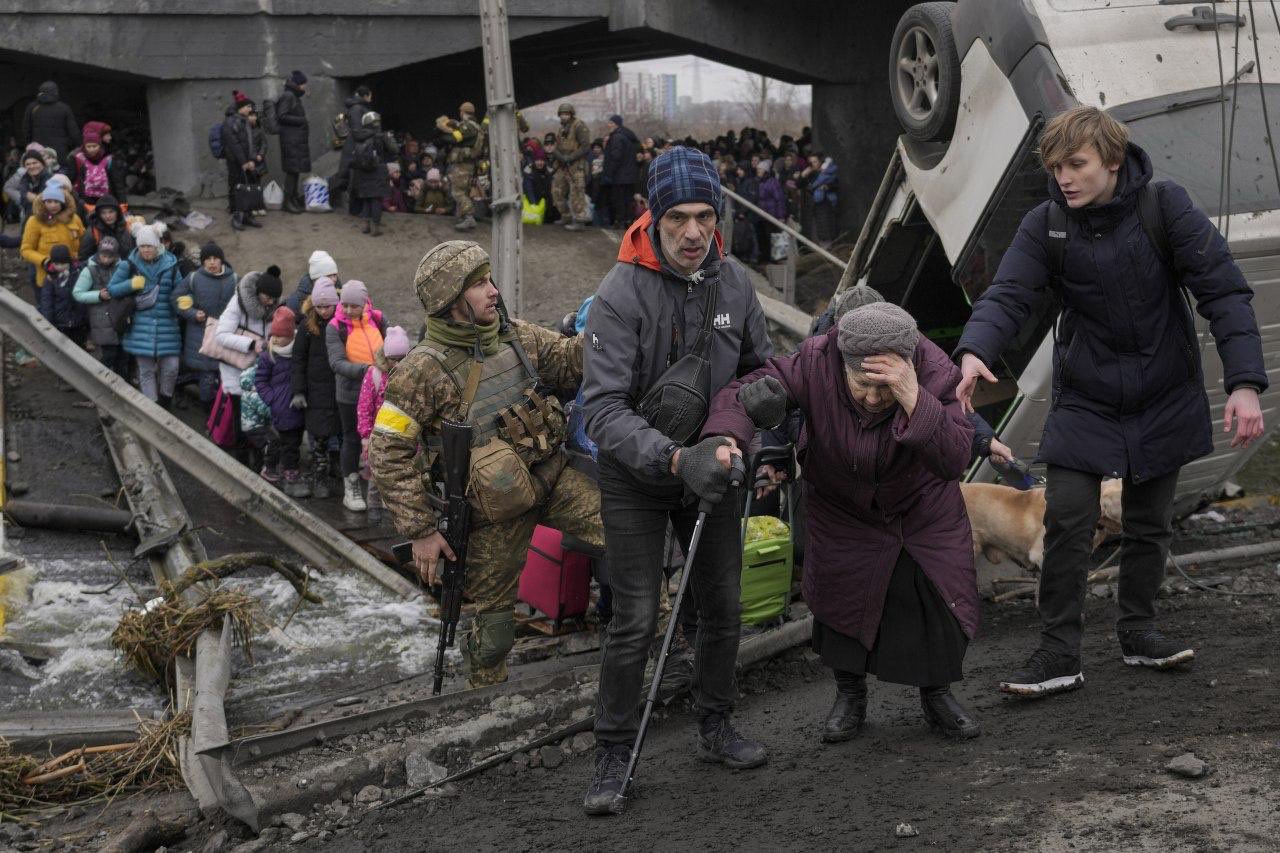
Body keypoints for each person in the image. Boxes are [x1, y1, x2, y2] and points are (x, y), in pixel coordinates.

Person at [953, 106, 1267, 697]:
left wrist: (1244, 383)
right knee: (1068, 518)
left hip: (1163, 390)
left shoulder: (1165, 207)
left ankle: (1139, 632)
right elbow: (1010, 293)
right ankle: (1057, 654)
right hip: (1087, 397)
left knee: (1148, 523)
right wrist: (975, 350)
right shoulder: (1046, 224)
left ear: (1113, 161)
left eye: (1076, 164)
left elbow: (1223, 291)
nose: (1064, 177)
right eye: (1055, 167)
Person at [578, 147, 775, 816]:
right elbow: (600, 411)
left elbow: (760, 369)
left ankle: (716, 724)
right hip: (637, 476)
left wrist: (755, 426)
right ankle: (612, 750)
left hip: (715, 469)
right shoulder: (619, 294)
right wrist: (672, 458)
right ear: (654, 218)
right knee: (634, 617)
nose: (694, 233)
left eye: (705, 215)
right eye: (678, 219)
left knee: (722, 606)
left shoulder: (736, 285)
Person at [707, 302, 981, 744]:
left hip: (919, 509)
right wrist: (726, 435)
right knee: (840, 600)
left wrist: (915, 398)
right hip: (841, 506)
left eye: (885, 389)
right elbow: (744, 391)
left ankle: (938, 695)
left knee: (933, 600)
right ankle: (849, 695)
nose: (873, 399)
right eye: (862, 386)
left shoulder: (934, 371)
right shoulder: (815, 361)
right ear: (842, 363)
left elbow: (954, 458)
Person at [369, 240, 602, 688]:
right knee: (494, 634)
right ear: (450, 300)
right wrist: (420, 531)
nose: (492, 290)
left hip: (552, 478)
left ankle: (662, 647)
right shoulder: (421, 370)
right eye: (478, 284)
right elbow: (387, 451)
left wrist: (610, 322)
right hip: (493, 515)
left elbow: (571, 362)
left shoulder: (517, 336)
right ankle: (484, 701)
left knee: (631, 538)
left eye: (489, 279)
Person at [326, 279, 386, 511]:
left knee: (382, 439)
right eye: (345, 305)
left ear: (364, 303)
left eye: (354, 306)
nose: (349, 310)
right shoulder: (335, 327)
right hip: (349, 394)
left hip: (380, 392)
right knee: (351, 438)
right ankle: (350, 487)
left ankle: (380, 489)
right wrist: (369, 370)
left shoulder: (378, 320)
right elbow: (337, 362)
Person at [106, 224, 182, 406]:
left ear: (158, 246)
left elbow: (181, 289)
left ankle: (165, 401)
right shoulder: (129, 265)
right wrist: (131, 284)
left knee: (171, 368)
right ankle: (152, 407)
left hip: (167, 325)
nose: (146, 250)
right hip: (140, 325)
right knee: (146, 370)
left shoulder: (171, 265)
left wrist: (185, 300)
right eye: (142, 246)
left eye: (149, 246)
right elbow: (112, 289)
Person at [215, 265, 283, 456]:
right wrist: (252, 344)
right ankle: (242, 459)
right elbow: (221, 335)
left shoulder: (274, 307)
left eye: (273, 299)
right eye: (267, 297)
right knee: (240, 417)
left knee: (259, 418)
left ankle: (260, 459)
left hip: (259, 373)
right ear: (258, 291)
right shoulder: (238, 303)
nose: (270, 302)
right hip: (236, 370)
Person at [291, 276, 341, 498]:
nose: (323, 311)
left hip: (338, 387)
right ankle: (320, 475)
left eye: (327, 306)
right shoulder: (307, 327)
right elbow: (298, 359)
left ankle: (337, 469)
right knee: (319, 437)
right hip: (316, 390)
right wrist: (299, 390)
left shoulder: (342, 324)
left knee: (340, 433)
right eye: (319, 307)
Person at [173, 242, 237, 411]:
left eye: (215, 258)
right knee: (208, 375)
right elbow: (175, 298)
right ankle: (209, 411)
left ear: (221, 260)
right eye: (207, 259)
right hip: (200, 335)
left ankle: (219, 411)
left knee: (221, 375)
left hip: (225, 334)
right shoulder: (194, 278)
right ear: (202, 262)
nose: (212, 262)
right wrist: (192, 314)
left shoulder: (234, 279)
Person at [355, 325, 410, 523]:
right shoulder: (375, 375)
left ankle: (392, 506)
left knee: (398, 473)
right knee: (375, 473)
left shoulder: (410, 375)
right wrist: (365, 436)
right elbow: (364, 408)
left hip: (402, 433)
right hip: (378, 436)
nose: (397, 364)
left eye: (402, 359)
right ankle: (374, 505)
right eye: (393, 359)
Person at [255, 307, 308, 494]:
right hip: (280, 407)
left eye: (280, 336)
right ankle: (288, 472)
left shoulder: (298, 352)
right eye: (273, 335)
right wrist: (272, 399)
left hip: (297, 406)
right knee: (287, 442)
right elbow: (260, 381)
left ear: (290, 336)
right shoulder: (268, 356)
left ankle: (276, 468)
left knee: (292, 440)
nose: (275, 339)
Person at [73, 236, 130, 376]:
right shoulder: (89, 270)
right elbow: (78, 293)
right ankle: (96, 380)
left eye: (110, 256)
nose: (106, 259)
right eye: (103, 255)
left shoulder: (122, 268)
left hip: (120, 318)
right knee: (109, 355)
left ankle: (123, 386)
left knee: (123, 357)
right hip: (101, 319)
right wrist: (98, 295)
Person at [21, 182, 84, 292]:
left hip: (74, 276)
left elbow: (84, 242)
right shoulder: (34, 221)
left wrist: (79, 257)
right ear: (43, 202)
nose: (53, 205)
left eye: (56, 201)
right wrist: (45, 261)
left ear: (63, 202)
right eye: (49, 201)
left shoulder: (74, 218)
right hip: (48, 278)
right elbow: (26, 250)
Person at [350, 110, 397, 237]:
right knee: (376, 199)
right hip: (378, 170)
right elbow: (394, 150)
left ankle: (365, 225)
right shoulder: (381, 136)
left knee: (366, 198)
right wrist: (389, 138)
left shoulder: (359, 135)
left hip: (363, 171)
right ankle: (376, 228)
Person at [437, 101, 482, 232]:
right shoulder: (476, 126)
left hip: (463, 165)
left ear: (463, 112)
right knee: (464, 191)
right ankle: (463, 217)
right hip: (468, 164)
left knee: (457, 192)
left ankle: (469, 217)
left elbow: (455, 138)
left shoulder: (468, 126)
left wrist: (444, 130)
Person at [222, 91, 262, 231]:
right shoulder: (230, 122)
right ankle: (237, 218)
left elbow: (251, 143)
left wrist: (251, 160)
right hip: (235, 162)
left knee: (249, 187)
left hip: (247, 162)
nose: (250, 110)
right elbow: (233, 144)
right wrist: (243, 162)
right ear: (241, 107)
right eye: (248, 107)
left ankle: (248, 216)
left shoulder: (244, 121)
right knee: (236, 189)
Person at [37, 244, 88, 347]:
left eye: (63, 264)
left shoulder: (78, 273)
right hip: (61, 322)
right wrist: (49, 323)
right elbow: (47, 302)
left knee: (80, 347)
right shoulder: (50, 279)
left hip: (78, 321)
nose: (59, 267)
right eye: (56, 264)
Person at [551, 103, 591, 231]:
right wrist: (558, 155)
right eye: (562, 114)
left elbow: (585, 147)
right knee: (556, 191)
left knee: (577, 193)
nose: (564, 116)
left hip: (575, 165)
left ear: (571, 114)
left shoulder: (579, 126)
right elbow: (556, 146)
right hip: (562, 165)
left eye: (567, 114)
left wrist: (570, 157)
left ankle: (579, 220)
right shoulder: (561, 128)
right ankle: (566, 216)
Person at [66, 125, 126, 210]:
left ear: (100, 146)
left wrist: (123, 202)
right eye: (89, 147)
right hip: (85, 199)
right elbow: (71, 180)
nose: (92, 149)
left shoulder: (109, 159)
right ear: (84, 147)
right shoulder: (78, 159)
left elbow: (117, 182)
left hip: (107, 198)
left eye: (94, 146)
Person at [275, 70, 310, 215]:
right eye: (303, 84)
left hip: (295, 140)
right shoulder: (288, 96)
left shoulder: (293, 96)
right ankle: (287, 202)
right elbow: (281, 115)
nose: (305, 87)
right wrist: (301, 120)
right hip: (291, 140)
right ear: (297, 84)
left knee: (295, 171)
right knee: (291, 171)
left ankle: (293, 200)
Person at [21, 82, 80, 160]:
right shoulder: (64, 108)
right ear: (56, 92)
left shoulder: (32, 107)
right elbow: (74, 132)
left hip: (38, 150)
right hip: (60, 150)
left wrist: (29, 145)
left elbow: (26, 130)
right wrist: (77, 145)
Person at [338, 85, 373, 215]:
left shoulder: (356, 107)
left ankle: (355, 209)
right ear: (365, 96)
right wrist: (372, 132)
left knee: (355, 179)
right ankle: (354, 210)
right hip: (355, 148)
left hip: (354, 147)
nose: (371, 98)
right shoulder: (357, 109)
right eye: (370, 95)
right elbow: (357, 132)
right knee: (355, 180)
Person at [602, 114, 639, 229]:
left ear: (615, 124)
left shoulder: (617, 137)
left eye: (610, 123)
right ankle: (628, 221)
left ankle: (621, 221)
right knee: (627, 199)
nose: (609, 125)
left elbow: (616, 156)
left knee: (619, 199)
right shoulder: (628, 136)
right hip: (630, 175)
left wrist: (609, 172)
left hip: (619, 175)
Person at [78, 194, 133, 261]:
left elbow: (131, 253)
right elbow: (83, 257)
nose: (107, 216)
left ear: (117, 212)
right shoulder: (93, 232)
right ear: (99, 214)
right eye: (103, 213)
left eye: (111, 212)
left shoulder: (126, 227)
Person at [286, 250, 338, 316]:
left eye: (335, 275)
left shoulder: (339, 292)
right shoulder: (296, 302)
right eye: (328, 276)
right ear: (315, 278)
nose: (334, 279)